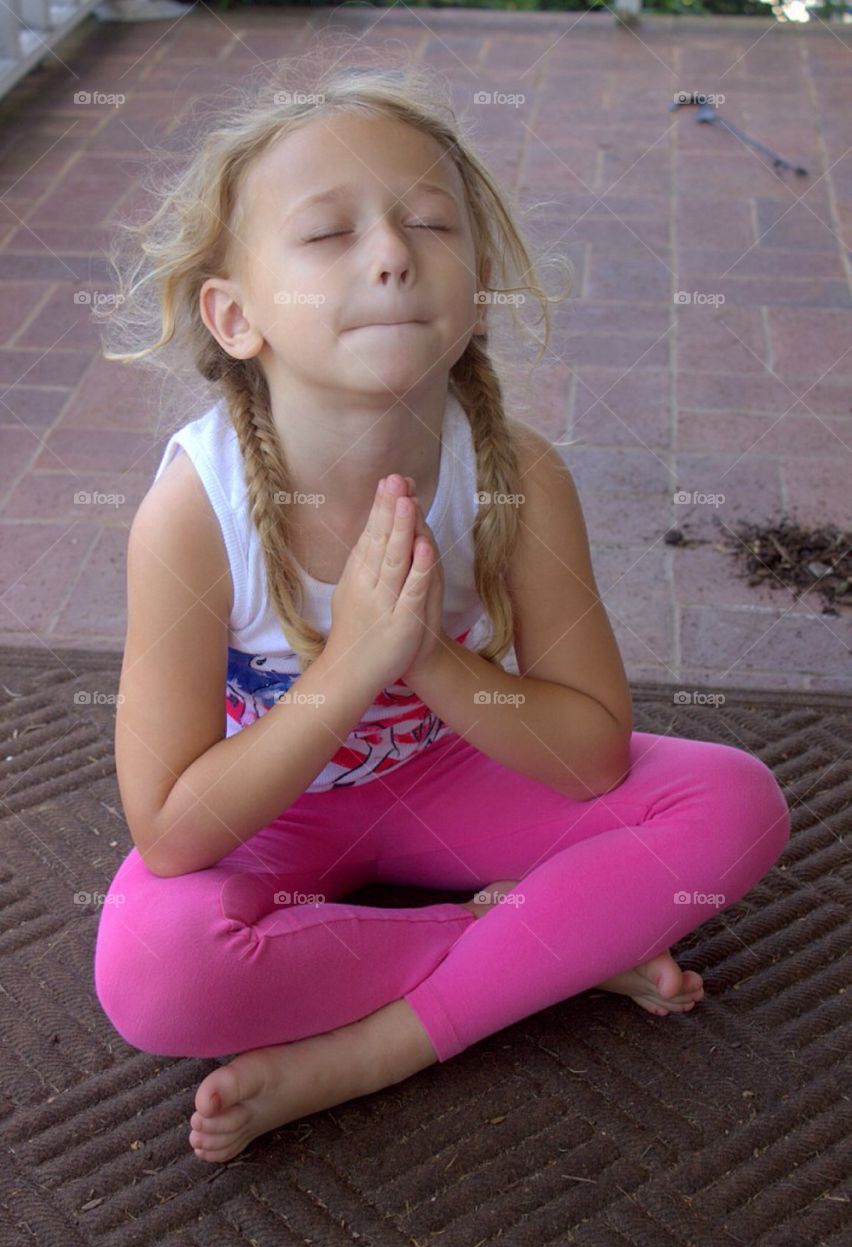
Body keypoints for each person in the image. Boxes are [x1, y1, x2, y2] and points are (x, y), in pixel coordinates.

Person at [92, 46, 792, 1165]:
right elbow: (173, 830)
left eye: (429, 222)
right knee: (151, 969)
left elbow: (589, 759)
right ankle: (546, 940)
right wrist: (349, 664)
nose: (390, 257)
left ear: (475, 283)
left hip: (449, 774)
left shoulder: (515, 471)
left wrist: (426, 661)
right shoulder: (192, 510)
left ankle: (381, 1044)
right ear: (234, 315)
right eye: (329, 234)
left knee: (735, 804)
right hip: (277, 811)